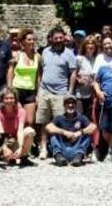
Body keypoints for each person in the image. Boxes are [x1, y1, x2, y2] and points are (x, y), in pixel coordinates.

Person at [37, 26, 78, 157]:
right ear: (51, 39)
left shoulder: (69, 54)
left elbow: (73, 73)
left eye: (61, 37)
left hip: (61, 93)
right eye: (56, 38)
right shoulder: (45, 52)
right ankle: (43, 148)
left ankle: (59, 149)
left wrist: (69, 92)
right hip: (44, 91)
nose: (59, 40)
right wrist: (39, 90)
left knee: (59, 123)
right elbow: (41, 71)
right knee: (44, 122)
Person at [11, 27, 41, 153]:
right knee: (18, 119)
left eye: (33, 39)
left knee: (30, 121)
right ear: (22, 41)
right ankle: (16, 146)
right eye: (29, 39)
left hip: (30, 90)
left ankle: (26, 148)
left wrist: (38, 92)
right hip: (17, 90)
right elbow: (10, 73)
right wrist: (10, 90)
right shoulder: (17, 55)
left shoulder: (37, 56)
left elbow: (38, 76)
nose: (32, 42)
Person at [46, 94, 97, 166]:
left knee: (87, 134)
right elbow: (48, 127)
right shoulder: (59, 118)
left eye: (72, 103)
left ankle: (78, 157)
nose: (70, 105)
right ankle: (59, 157)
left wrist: (79, 133)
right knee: (53, 133)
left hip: (77, 149)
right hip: (62, 149)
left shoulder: (81, 117)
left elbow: (93, 127)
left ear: (76, 105)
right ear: (64, 105)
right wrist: (64, 132)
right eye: (68, 103)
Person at [0, 88, 36, 167]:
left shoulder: (21, 111)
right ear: (2, 100)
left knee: (29, 131)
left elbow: (20, 130)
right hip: (4, 142)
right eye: (6, 98)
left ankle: (24, 157)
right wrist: (4, 148)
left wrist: (21, 147)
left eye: (12, 98)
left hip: (16, 140)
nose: (9, 101)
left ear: (15, 100)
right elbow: (1, 132)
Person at [75, 36, 98, 115]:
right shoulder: (79, 59)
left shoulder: (97, 59)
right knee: (79, 116)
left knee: (90, 117)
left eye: (92, 44)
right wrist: (78, 80)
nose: (90, 46)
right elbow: (73, 74)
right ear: (84, 46)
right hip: (80, 94)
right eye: (88, 43)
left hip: (93, 94)